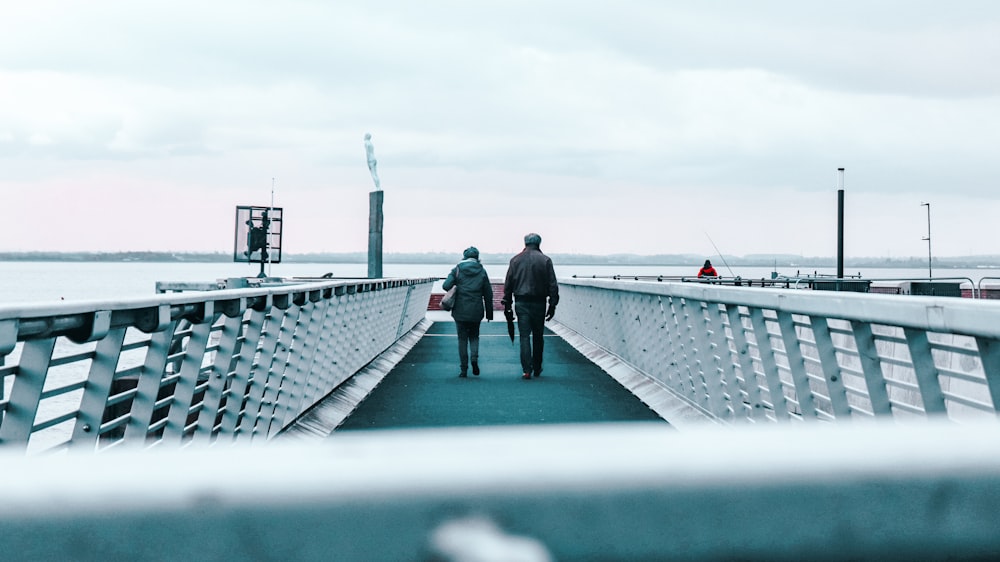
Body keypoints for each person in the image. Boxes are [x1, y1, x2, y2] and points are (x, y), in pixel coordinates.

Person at [502, 233, 559, 380]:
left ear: (525, 243)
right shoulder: (545, 260)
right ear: (539, 243)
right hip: (539, 302)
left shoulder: (515, 261)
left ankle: (526, 370)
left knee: (524, 336)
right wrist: (552, 304)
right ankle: (537, 366)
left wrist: (507, 303)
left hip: (521, 302)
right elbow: (553, 284)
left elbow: (508, 284)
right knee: (538, 336)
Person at [442, 246, 494, 377]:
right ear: (477, 257)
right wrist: (489, 313)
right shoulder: (482, 271)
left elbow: (446, 286)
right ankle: (474, 359)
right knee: (474, 336)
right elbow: (488, 293)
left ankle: (463, 369)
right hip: (476, 309)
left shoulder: (457, 269)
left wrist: (455, 281)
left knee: (462, 339)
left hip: (460, 309)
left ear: (464, 257)